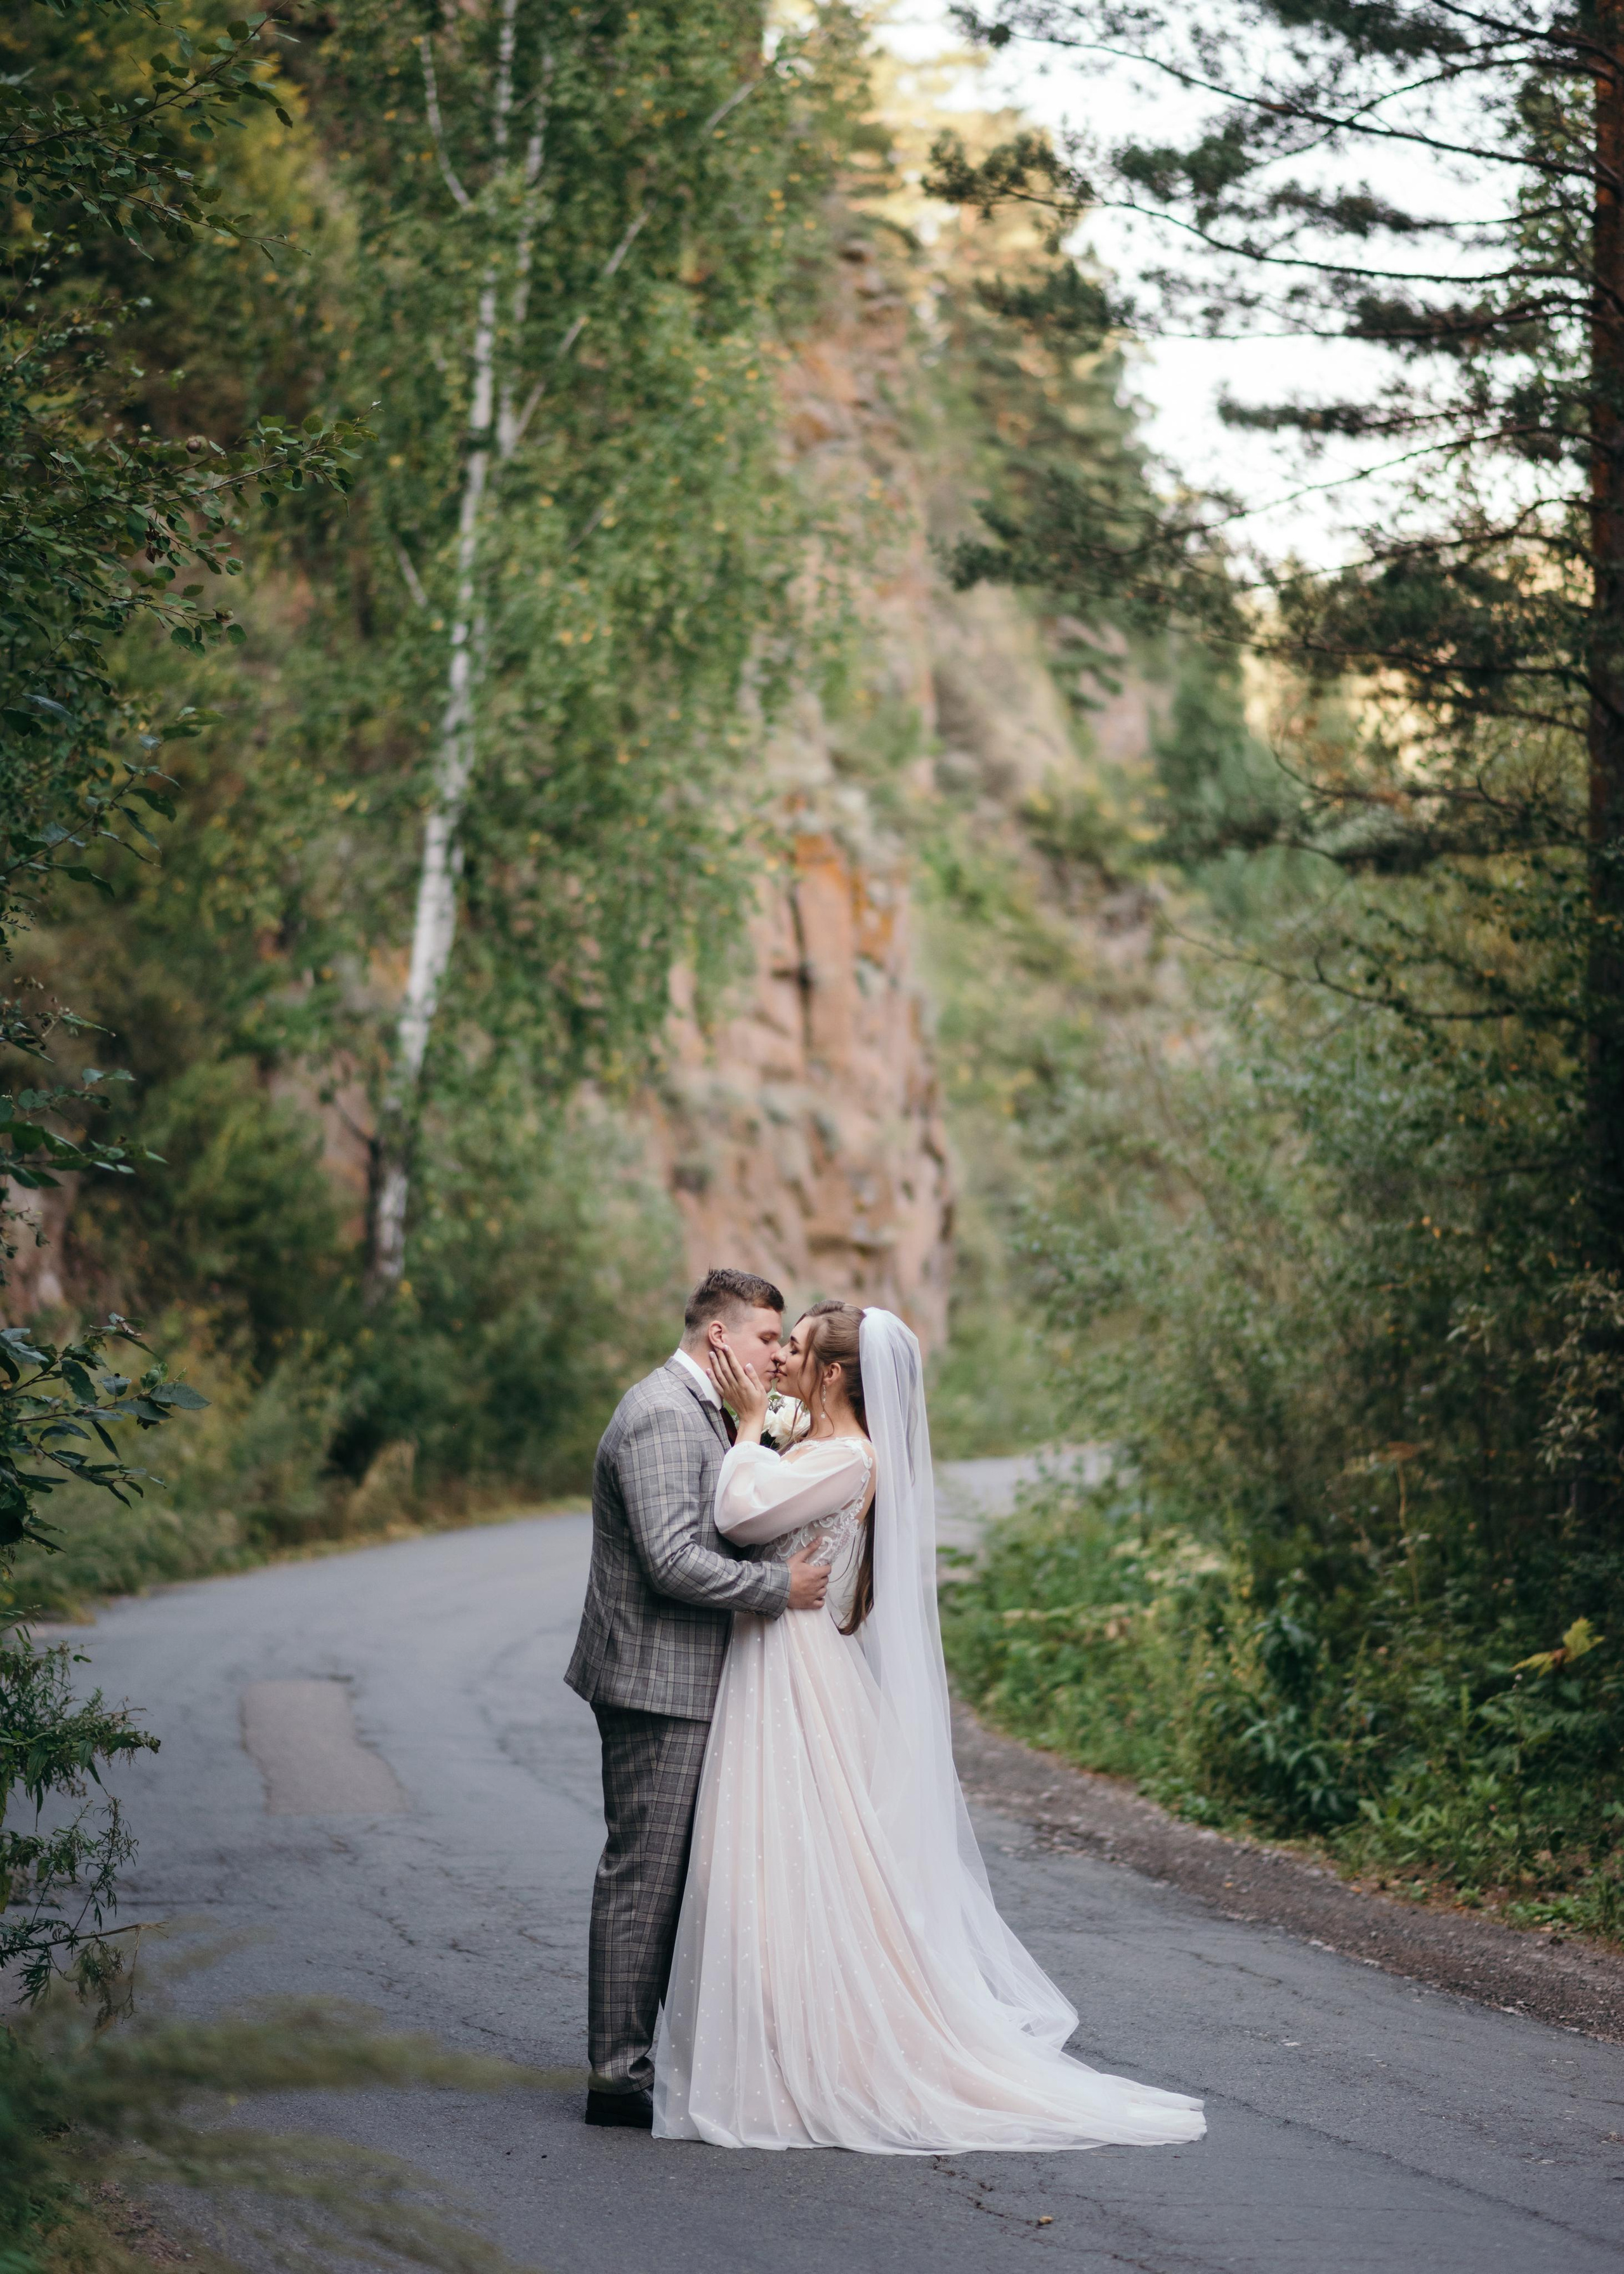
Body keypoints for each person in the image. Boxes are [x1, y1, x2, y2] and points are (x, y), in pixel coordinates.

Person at [652, 1298, 1207, 2155]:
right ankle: (765, 2050)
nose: (782, 1361)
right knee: (767, 1865)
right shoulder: (824, 1447)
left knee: (792, 1863)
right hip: (775, 1659)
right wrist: (768, 1433)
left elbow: (735, 1516)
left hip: (794, 1668)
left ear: (834, 1373)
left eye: (794, 1349)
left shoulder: (848, 1457)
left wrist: (751, 1428)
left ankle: (807, 2061)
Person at [565, 1268, 833, 2129]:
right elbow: (672, 1559)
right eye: (766, 1340)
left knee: (686, 1878)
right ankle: (616, 2074)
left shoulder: (712, 1413)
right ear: (719, 1336)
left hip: (692, 1674)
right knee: (645, 1875)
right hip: (655, 1680)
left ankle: (659, 2055)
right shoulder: (657, 1414)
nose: (777, 1359)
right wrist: (776, 1587)